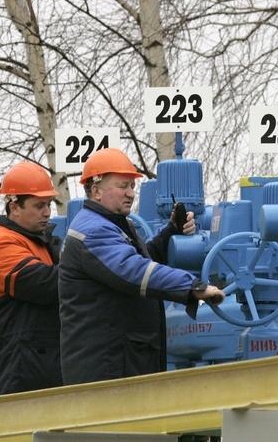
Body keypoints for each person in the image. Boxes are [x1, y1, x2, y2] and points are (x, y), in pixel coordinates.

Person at [59, 148, 224, 384]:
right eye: (122, 186)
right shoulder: (94, 230)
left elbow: (142, 260)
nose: (130, 193)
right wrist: (192, 286)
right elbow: (133, 270)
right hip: (107, 368)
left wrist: (170, 233)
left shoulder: (113, 224)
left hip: (118, 359)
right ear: (96, 191)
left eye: (132, 186)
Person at [0, 161, 63, 396]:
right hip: (15, 375)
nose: (47, 212)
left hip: (38, 369)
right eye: (39, 205)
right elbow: (44, 284)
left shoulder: (39, 242)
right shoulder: (0, 243)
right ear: (14, 207)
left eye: (49, 204)